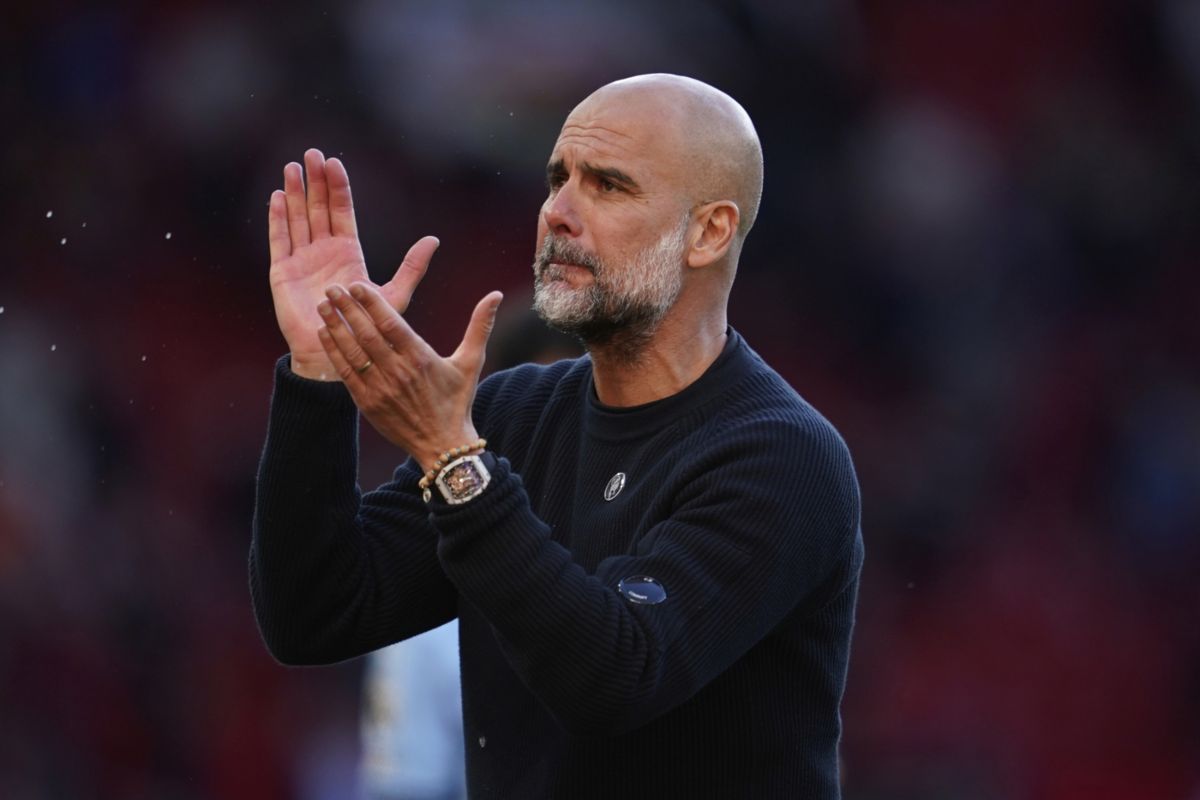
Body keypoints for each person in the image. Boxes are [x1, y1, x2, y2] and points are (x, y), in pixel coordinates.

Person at [251, 74, 864, 799]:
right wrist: (319, 374)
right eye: (557, 179)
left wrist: (454, 459)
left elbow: (617, 677)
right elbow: (315, 613)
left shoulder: (783, 455)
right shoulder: (513, 412)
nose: (557, 212)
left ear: (709, 232)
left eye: (607, 185)